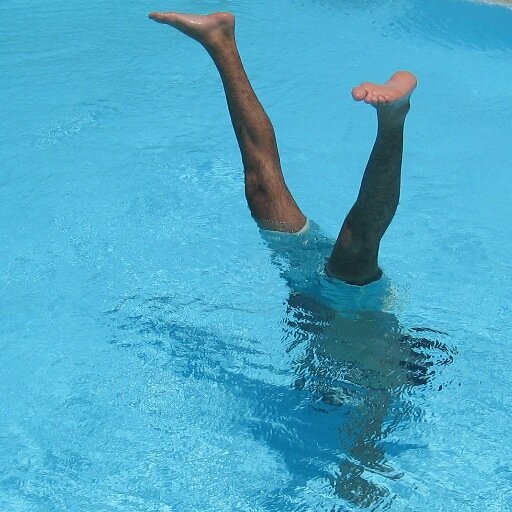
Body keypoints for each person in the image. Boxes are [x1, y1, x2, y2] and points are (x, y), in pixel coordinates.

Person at [148, 11, 417, 286]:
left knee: (261, 190)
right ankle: (220, 40)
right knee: (354, 252)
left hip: (312, 292)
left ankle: (221, 44)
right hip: (352, 306)